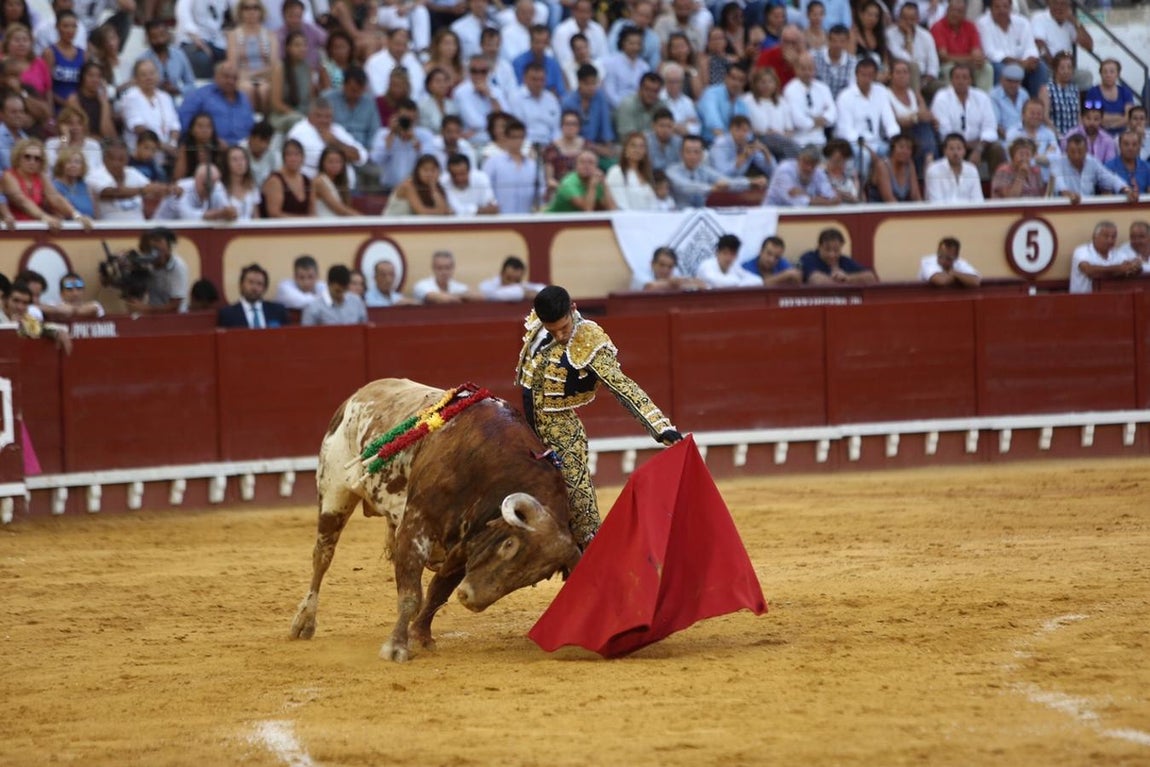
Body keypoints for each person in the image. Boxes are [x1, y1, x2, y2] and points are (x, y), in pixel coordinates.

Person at [515, 285, 682, 546]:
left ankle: (596, 561)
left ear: (573, 309)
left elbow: (622, 386)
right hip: (526, 428)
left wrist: (660, 426)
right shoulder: (540, 321)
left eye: (564, 328)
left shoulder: (589, 339)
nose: (560, 336)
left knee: (581, 509)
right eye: (553, 330)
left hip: (563, 432)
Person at [3, 137, 94, 229]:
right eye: (27, 157)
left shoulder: (40, 176)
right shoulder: (8, 176)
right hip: (14, 229)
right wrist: (44, 217)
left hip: (36, 228)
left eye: (37, 158)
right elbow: (22, 202)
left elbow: (55, 198)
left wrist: (77, 216)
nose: (32, 161)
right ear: (18, 157)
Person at [930, 63, 1002, 178]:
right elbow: (945, 132)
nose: (961, 81)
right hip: (951, 145)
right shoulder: (941, 98)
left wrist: (979, 148)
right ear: (951, 80)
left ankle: (998, 189)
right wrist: (965, 146)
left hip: (979, 145)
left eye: (965, 77)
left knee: (997, 148)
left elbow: (990, 128)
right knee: (951, 148)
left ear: (970, 80)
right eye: (957, 77)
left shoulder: (981, 97)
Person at [85, 137, 170, 221]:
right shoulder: (95, 175)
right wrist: (142, 191)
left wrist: (168, 189)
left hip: (139, 226)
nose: (116, 163)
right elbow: (108, 193)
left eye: (121, 159)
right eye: (112, 159)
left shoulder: (132, 172)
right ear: (104, 159)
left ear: (127, 159)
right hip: (110, 230)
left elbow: (151, 188)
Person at [667, 134, 762, 208]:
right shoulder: (671, 171)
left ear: (702, 154)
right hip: (678, 216)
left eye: (696, 152)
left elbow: (726, 181)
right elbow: (687, 186)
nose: (692, 156)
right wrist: (712, 188)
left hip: (702, 215)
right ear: (681, 153)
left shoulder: (704, 170)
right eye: (688, 152)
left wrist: (750, 182)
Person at [177, 62, 256, 147]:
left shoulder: (244, 99)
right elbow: (185, 122)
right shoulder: (200, 95)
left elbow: (251, 126)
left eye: (235, 78)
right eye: (226, 76)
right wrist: (211, 140)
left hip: (243, 149)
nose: (231, 81)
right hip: (210, 148)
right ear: (216, 77)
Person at [1052, 134, 1137, 204]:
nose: (1076, 156)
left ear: (1086, 151)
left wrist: (1127, 190)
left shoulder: (1092, 162)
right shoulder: (1058, 164)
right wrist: (1069, 195)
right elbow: (1059, 185)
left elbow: (1111, 179)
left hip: (1089, 209)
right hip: (1066, 208)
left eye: (1080, 152)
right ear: (1066, 151)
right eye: (1072, 152)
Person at [225, 0, 277, 113]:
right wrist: (243, 75)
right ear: (240, 11)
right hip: (241, 76)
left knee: (264, 89)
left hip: (266, 76)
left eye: (255, 7)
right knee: (247, 88)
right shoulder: (233, 35)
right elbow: (232, 64)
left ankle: (267, 123)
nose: (251, 11)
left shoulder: (270, 35)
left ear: (261, 11)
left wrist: (252, 74)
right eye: (246, 8)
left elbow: (274, 65)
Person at [930, 0, 993, 92]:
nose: (955, 14)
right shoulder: (938, 27)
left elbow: (976, 53)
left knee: (986, 68)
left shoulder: (970, 26)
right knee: (950, 69)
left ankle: (983, 101)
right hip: (946, 65)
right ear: (947, 11)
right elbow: (944, 57)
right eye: (952, 10)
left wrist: (978, 59)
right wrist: (970, 59)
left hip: (967, 63)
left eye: (959, 11)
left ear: (964, 14)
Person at [126, 227, 188, 314]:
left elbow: (175, 306)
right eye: (151, 241)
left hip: (174, 320)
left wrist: (146, 309)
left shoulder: (177, 267)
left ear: (169, 245)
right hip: (152, 318)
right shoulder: (146, 264)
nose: (153, 244)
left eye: (158, 240)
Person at [1068, 221, 1141, 294]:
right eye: (1106, 236)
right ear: (1094, 236)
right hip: (1081, 300)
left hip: (1111, 298)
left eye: (1113, 237)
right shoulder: (1082, 251)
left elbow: (1131, 268)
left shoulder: (1118, 254)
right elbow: (1089, 270)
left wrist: (1134, 266)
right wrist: (1119, 269)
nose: (1110, 240)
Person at [783, 52, 836, 149]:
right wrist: (817, 121)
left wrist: (821, 119)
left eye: (810, 69)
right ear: (796, 69)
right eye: (803, 69)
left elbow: (832, 113)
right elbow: (798, 120)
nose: (807, 72)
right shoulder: (790, 90)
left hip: (821, 140)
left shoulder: (823, 88)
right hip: (799, 142)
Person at [6, 280, 72, 353]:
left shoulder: (27, 318)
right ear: (6, 300)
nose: (20, 307)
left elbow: (38, 328)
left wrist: (57, 333)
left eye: (25, 303)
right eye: (16, 301)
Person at [217, 263, 289, 329]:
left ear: (264, 288)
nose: (254, 288)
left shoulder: (278, 311)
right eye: (250, 282)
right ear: (241, 285)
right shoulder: (228, 314)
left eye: (259, 284)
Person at [137, 19, 196, 99]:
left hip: (175, 102)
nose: (160, 40)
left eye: (162, 35)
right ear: (148, 39)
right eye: (155, 37)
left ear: (168, 35)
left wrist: (178, 90)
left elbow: (191, 84)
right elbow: (135, 86)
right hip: (150, 102)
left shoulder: (179, 55)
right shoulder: (142, 59)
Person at [765, 143, 837, 206]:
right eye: (806, 163)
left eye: (813, 164)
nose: (809, 168)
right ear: (798, 160)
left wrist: (804, 194)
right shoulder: (784, 170)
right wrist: (823, 201)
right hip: (774, 215)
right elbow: (795, 201)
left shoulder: (818, 172)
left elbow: (832, 197)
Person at [799, 227, 877, 284]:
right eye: (827, 249)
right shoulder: (809, 257)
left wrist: (847, 278)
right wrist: (839, 281)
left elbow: (870, 277)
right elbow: (816, 280)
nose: (832, 254)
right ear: (819, 247)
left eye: (836, 250)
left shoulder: (844, 260)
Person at [545, 149, 616, 212]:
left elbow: (612, 209)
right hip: (553, 221)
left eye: (591, 162)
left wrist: (605, 185)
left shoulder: (598, 180)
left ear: (596, 167)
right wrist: (592, 187)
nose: (586, 166)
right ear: (576, 166)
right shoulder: (568, 183)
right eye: (582, 162)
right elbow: (587, 210)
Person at [260, 139, 314, 218]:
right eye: (289, 155)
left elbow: (312, 212)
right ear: (283, 158)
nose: (293, 158)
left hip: (303, 228)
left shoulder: (307, 181)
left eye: (297, 154)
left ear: (303, 158)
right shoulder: (275, 180)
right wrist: (302, 221)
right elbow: (274, 214)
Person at [385, 153, 451, 216]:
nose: (429, 174)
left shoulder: (437, 186)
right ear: (417, 171)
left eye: (433, 170)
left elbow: (445, 210)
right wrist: (441, 211)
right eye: (425, 170)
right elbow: (422, 212)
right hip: (392, 224)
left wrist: (434, 189)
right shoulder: (408, 185)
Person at [925, 133, 984, 203]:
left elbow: (978, 200)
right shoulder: (934, 170)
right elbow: (935, 203)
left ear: (964, 151)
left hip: (968, 213)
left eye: (959, 148)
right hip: (941, 213)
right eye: (951, 149)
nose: (955, 153)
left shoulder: (972, 170)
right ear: (945, 151)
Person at [605, 131, 657, 210]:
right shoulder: (616, 172)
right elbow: (620, 205)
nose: (637, 150)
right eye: (633, 146)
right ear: (625, 149)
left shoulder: (646, 174)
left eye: (641, 146)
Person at [302, 265, 368, 326]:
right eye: (338, 291)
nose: (341, 295)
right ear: (328, 284)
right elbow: (307, 335)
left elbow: (364, 328)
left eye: (345, 290)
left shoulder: (356, 302)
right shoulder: (313, 307)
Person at [1084, 59, 1136, 137]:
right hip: (1098, 135)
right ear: (1100, 74)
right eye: (1105, 72)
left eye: (1112, 72)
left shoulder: (1126, 92)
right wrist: (1120, 116)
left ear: (1117, 74)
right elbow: (1091, 117)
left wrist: (1111, 124)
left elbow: (1129, 117)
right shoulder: (1092, 92)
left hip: (1123, 136)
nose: (1108, 75)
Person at [695, 234, 763, 289]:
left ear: (736, 256)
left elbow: (758, 281)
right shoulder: (706, 266)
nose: (728, 258)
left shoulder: (734, 267)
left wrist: (737, 284)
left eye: (732, 254)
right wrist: (740, 283)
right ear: (717, 253)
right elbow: (719, 283)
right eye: (725, 253)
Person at [631, 246, 707, 291]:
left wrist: (685, 282)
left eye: (670, 267)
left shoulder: (675, 272)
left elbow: (701, 285)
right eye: (662, 265)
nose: (666, 270)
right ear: (652, 264)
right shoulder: (639, 274)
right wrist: (673, 283)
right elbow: (650, 287)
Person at [412, 250, 476, 303]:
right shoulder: (422, 285)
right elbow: (444, 300)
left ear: (453, 268)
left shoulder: (457, 285)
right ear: (433, 268)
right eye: (440, 268)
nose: (444, 272)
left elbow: (479, 296)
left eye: (447, 268)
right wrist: (463, 296)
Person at [314, 146, 360, 217]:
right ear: (322, 163)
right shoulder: (320, 180)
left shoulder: (339, 182)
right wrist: (362, 218)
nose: (335, 165)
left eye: (338, 162)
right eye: (330, 162)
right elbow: (339, 209)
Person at [218, 145, 261, 220]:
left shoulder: (252, 187)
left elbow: (256, 216)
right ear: (226, 163)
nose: (240, 163)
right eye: (234, 160)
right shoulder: (219, 188)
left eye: (243, 159)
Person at [50, 146, 95, 219]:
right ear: (61, 165)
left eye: (77, 162)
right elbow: (58, 214)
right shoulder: (54, 187)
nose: (73, 165)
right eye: (68, 162)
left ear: (82, 167)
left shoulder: (88, 187)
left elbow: (96, 216)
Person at [478, 255, 545, 301]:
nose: (512, 283)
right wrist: (522, 293)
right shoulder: (487, 285)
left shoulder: (523, 286)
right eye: (509, 278)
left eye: (516, 280)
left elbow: (543, 289)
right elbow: (489, 293)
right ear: (502, 273)